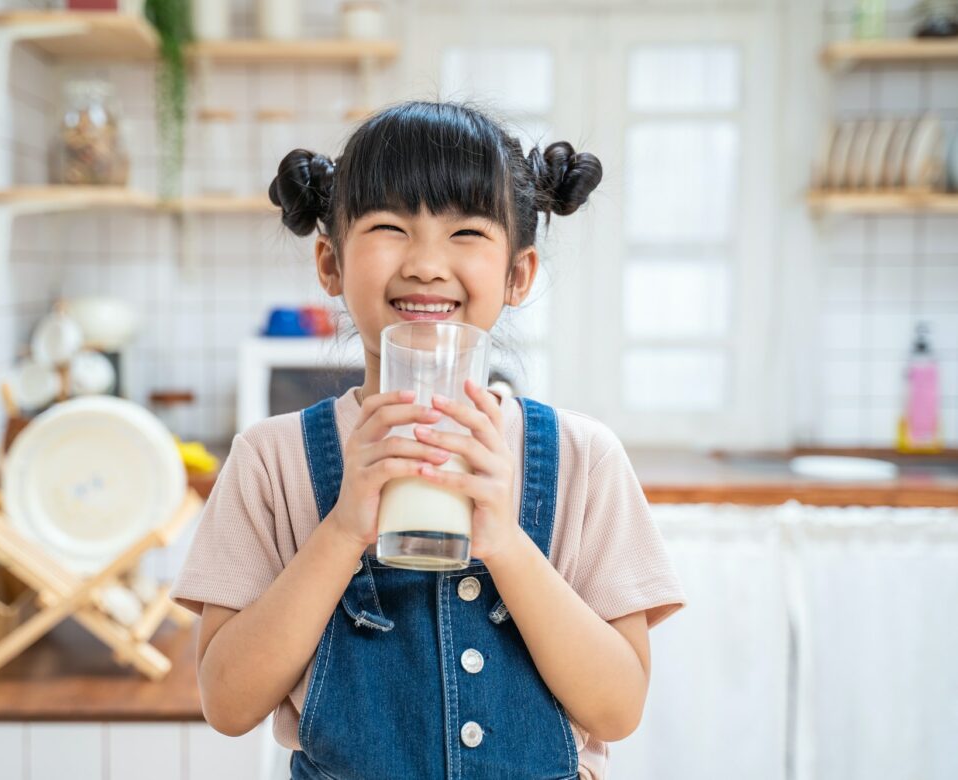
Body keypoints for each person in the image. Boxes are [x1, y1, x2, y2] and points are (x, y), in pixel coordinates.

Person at [171, 100, 686, 780]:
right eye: (389, 226)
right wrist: (341, 531)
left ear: (518, 274)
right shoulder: (272, 461)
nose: (425, 264)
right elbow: (228, 703)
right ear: (330, 262)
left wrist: (504, 540)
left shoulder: (584, 459)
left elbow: (618, 709)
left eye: (467, 232)